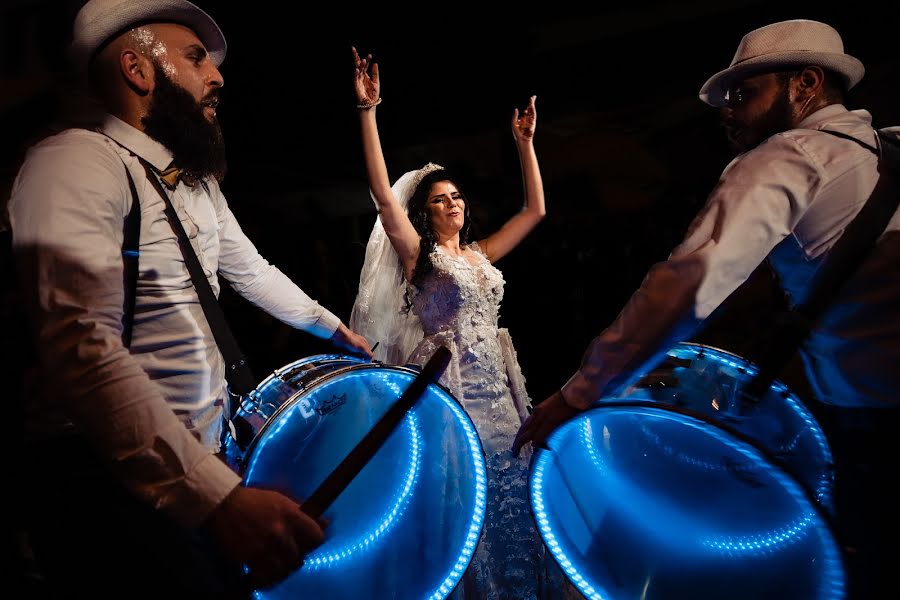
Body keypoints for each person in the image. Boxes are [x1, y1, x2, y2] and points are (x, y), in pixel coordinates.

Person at [513, 18, 900, 600]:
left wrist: (581, 392)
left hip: (880, 420)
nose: (727, 110)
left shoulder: (789, 156)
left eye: (744, 94)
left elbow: (688, 285)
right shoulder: (888, 149)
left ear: (807, 85)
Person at [7, 0, 372, 597]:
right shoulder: (74, 161)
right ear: (137, 69)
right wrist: (218, 499)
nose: (218, 77)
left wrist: (335, 331)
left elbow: (251, 270)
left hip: (197, 467)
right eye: (196, 58)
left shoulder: (195, 180)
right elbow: (80, 343)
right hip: (107, 479)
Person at [349, 48, 570, 599]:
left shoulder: (480, 254)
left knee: (516, 489)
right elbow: (382, 195)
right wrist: (368, 112)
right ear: (426, 213)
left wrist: (525, 145)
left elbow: (536, 211)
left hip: (500, 388)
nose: (452, 204)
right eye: (441, 199)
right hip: (451, 388)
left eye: (457, 196)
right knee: (463, 495)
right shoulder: (420, 257)